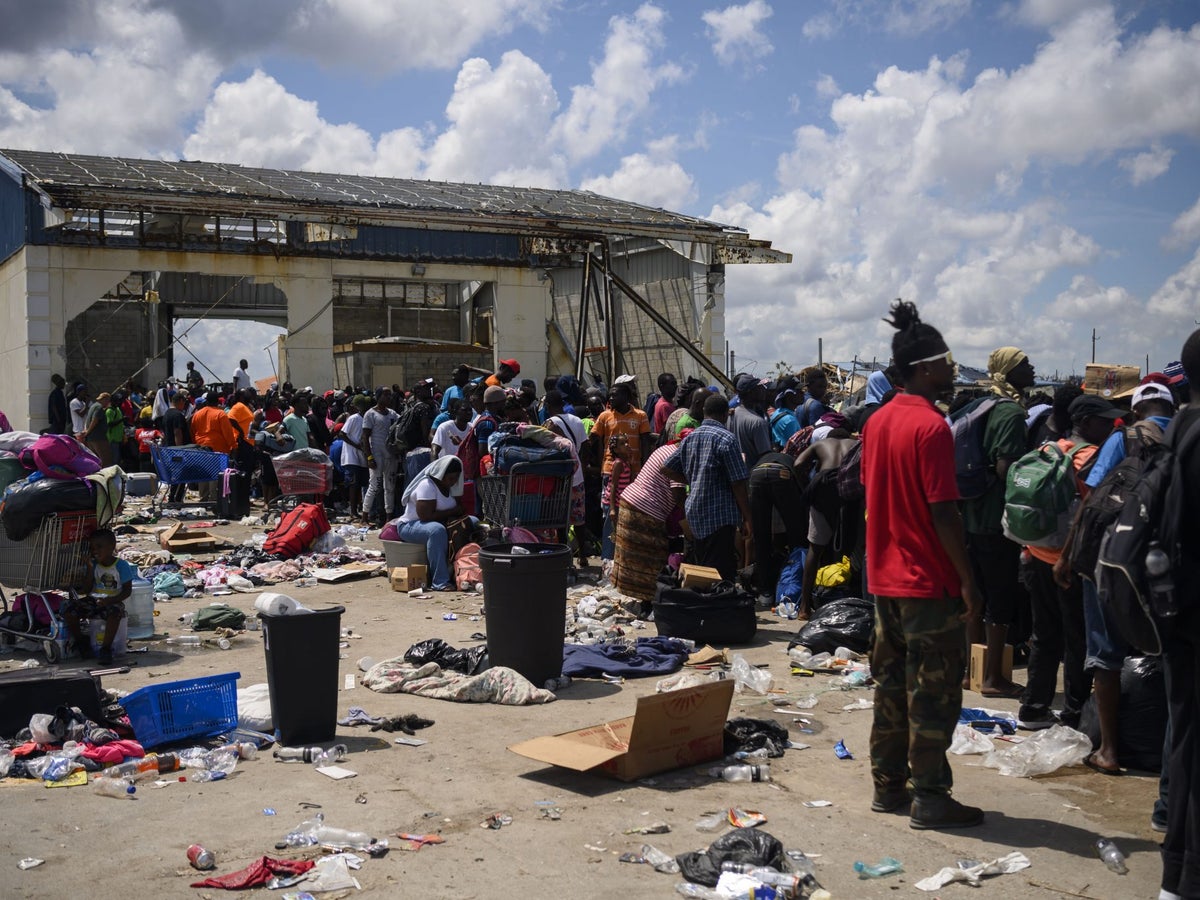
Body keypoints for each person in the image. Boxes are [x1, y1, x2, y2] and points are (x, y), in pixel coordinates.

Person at [862, 299, 982, 830]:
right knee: (932, 694)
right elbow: (944, 515)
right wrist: (967, 581)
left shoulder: (877, 421)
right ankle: (931, 797)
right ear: (925, 367)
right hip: (927, 585)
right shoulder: (932, 428)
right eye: (947, 362)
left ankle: (888, 787)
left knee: (889, 688)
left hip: (884, 581)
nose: (952, 371)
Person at [1069, 381, 1177, 775]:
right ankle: (1172, 756)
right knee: (1171, 654)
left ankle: (1110, 751)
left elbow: (1091, 501)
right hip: (1168, 564)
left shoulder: (1123, 438)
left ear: (1135, 412)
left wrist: (1070, 557)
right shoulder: (1185, 435)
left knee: (1106, 655)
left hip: (1112, 561)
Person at [1016, 394, 1118, 732]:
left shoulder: (1049, 449)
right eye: (1105, 421)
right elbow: (1093, 513)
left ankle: (1033, 708)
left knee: (1044, 635)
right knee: (1077, 639)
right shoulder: (1090, 457)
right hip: (1069, 563)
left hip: (1036, 554)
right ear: (1087, 422)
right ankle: (1073, 714)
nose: (1111, 426)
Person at [953, 346, 1035, 698]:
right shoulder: (1013, 413)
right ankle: (992, 680)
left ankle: (970, 672)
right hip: (997, 519)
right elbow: (1006, 468)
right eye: (1024, 364)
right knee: (1001, 597)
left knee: (975, 595)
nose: (1031, 368)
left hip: (968, 514)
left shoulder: (980, 405)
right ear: (1009, 371)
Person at [1159, 328, 1200, 900]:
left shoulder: (1180, 429)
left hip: (1174, 606)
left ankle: (1176, 873)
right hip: (1191, 605)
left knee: (1185, 732)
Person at [661, 393, 752, 581]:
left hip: (695, 513)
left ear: (704, 412)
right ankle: (717, 606)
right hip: (719, 514)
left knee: (701, 568)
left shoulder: (690, 439)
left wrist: (695, 479)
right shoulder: (727, 439)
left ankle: (702, 605)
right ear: (726, 414)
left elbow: (666, 468)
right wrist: (747, 518)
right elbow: (738, 483)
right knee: (721, 572)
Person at [792, 432, 860, 619]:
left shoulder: (821, 444)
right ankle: (852, 602)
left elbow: (798, 464)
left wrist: (807, 487)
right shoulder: (855, 444)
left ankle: (804, 608)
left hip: (822, 485)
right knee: (851, 546)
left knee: (816, 547)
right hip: (848, 489)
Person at [612, 440, 687, 603]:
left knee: (634, 556)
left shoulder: (665, 448)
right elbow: (679, 495)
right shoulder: (679, 458)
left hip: (631, 500)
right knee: (652, 557)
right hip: (646, 508)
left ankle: (642, 598)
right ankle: (650, 600)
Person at [396, 456, 473, 591]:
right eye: (451, 478)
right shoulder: (427, 485)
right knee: (436, 531)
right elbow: (425, 516)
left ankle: (465, 572)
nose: (454, 482)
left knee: (474, 522)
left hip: (438, 522)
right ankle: (440, 581)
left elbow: (459, 510)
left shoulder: (451, 487)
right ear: (441, 475)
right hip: (410, 525)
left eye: (456, 478)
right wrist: (452, 512)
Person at [746, 445, 809, 603]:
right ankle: (795, 586)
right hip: (782, 474)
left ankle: (765, 592)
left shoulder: (760, 461)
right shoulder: (790, 460)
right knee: (796, 534)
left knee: (761, 536)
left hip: (756, 476)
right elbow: (803, 496)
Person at [61, 529, 134, 665]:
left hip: (113, 601)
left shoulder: (121, 566)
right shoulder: (94, 565)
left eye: (99, 547)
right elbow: (87, 590)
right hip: (95, 600)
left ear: (111, 547)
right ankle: (81, 642)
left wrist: (109, 600)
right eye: (92, 548)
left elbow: (127, 591)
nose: (95, 551)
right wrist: (89, 568)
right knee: (69, 609)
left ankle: (105, 649)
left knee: (115, 613)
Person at [362, 388, 400, 526]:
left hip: (390, 456)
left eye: (390, 395)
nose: (388, 397)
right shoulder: (370, 414)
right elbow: (365, 437)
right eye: (386, 395)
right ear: (378, 396)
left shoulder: (393, 414)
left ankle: (388, 517)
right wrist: (369, 457)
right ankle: (364, 516)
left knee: (389, 486)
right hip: (376, 455)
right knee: (374, 486)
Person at [730, 374, 772, 468]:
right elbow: (766, 457)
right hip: (753, 476)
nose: (763, 389)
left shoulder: (730, 415)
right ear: (750, 392)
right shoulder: (757, 422)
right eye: (759, 387)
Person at [340, 396, 370, 520]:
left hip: (362, 457)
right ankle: (352, 511)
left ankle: (357, 509)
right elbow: (342, 434)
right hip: (351, 456)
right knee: (353, 484)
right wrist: (356, 445)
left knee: (360, 484)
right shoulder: (354, 418)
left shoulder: (368, 419)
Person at [162, 393, 191, 504]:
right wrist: (180, 450)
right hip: (177, 451)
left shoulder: (167, 414)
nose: (184, 405)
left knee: (175, 475)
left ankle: (173, 498)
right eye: (184, 402)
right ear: (179, 400)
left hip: (169, 449)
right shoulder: (177, 415)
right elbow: (177, 432)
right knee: (181, 475)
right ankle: (176, 499)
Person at [83, 392, 112, 465]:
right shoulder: (99, 407)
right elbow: (95, 420)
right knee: (105, 459)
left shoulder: (93, 406)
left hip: (92, 438)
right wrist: (87, 433)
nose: (108, 403)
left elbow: (88, 420)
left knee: (95, 459)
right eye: (108, 401)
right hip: (98, 438)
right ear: (104, 399)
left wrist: (87, 432)